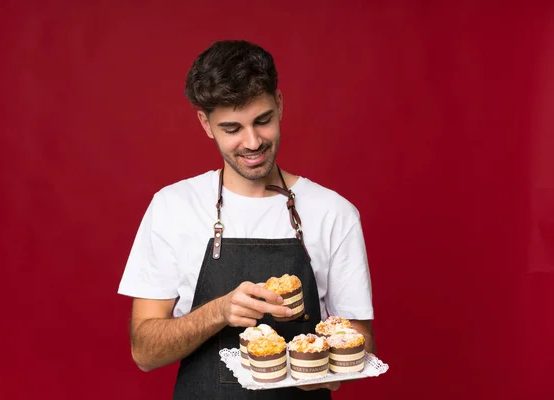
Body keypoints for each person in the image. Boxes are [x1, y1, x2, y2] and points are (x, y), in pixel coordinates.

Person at [117, 40, 375, 399]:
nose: (252, 142)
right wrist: (219, 311)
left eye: (263, 121)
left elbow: (357, 338)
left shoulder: (334, 213)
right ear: (206, 125)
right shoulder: (173, 207)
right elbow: (144, 352)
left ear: (280, 104)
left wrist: (324, 370)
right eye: (232, 128)